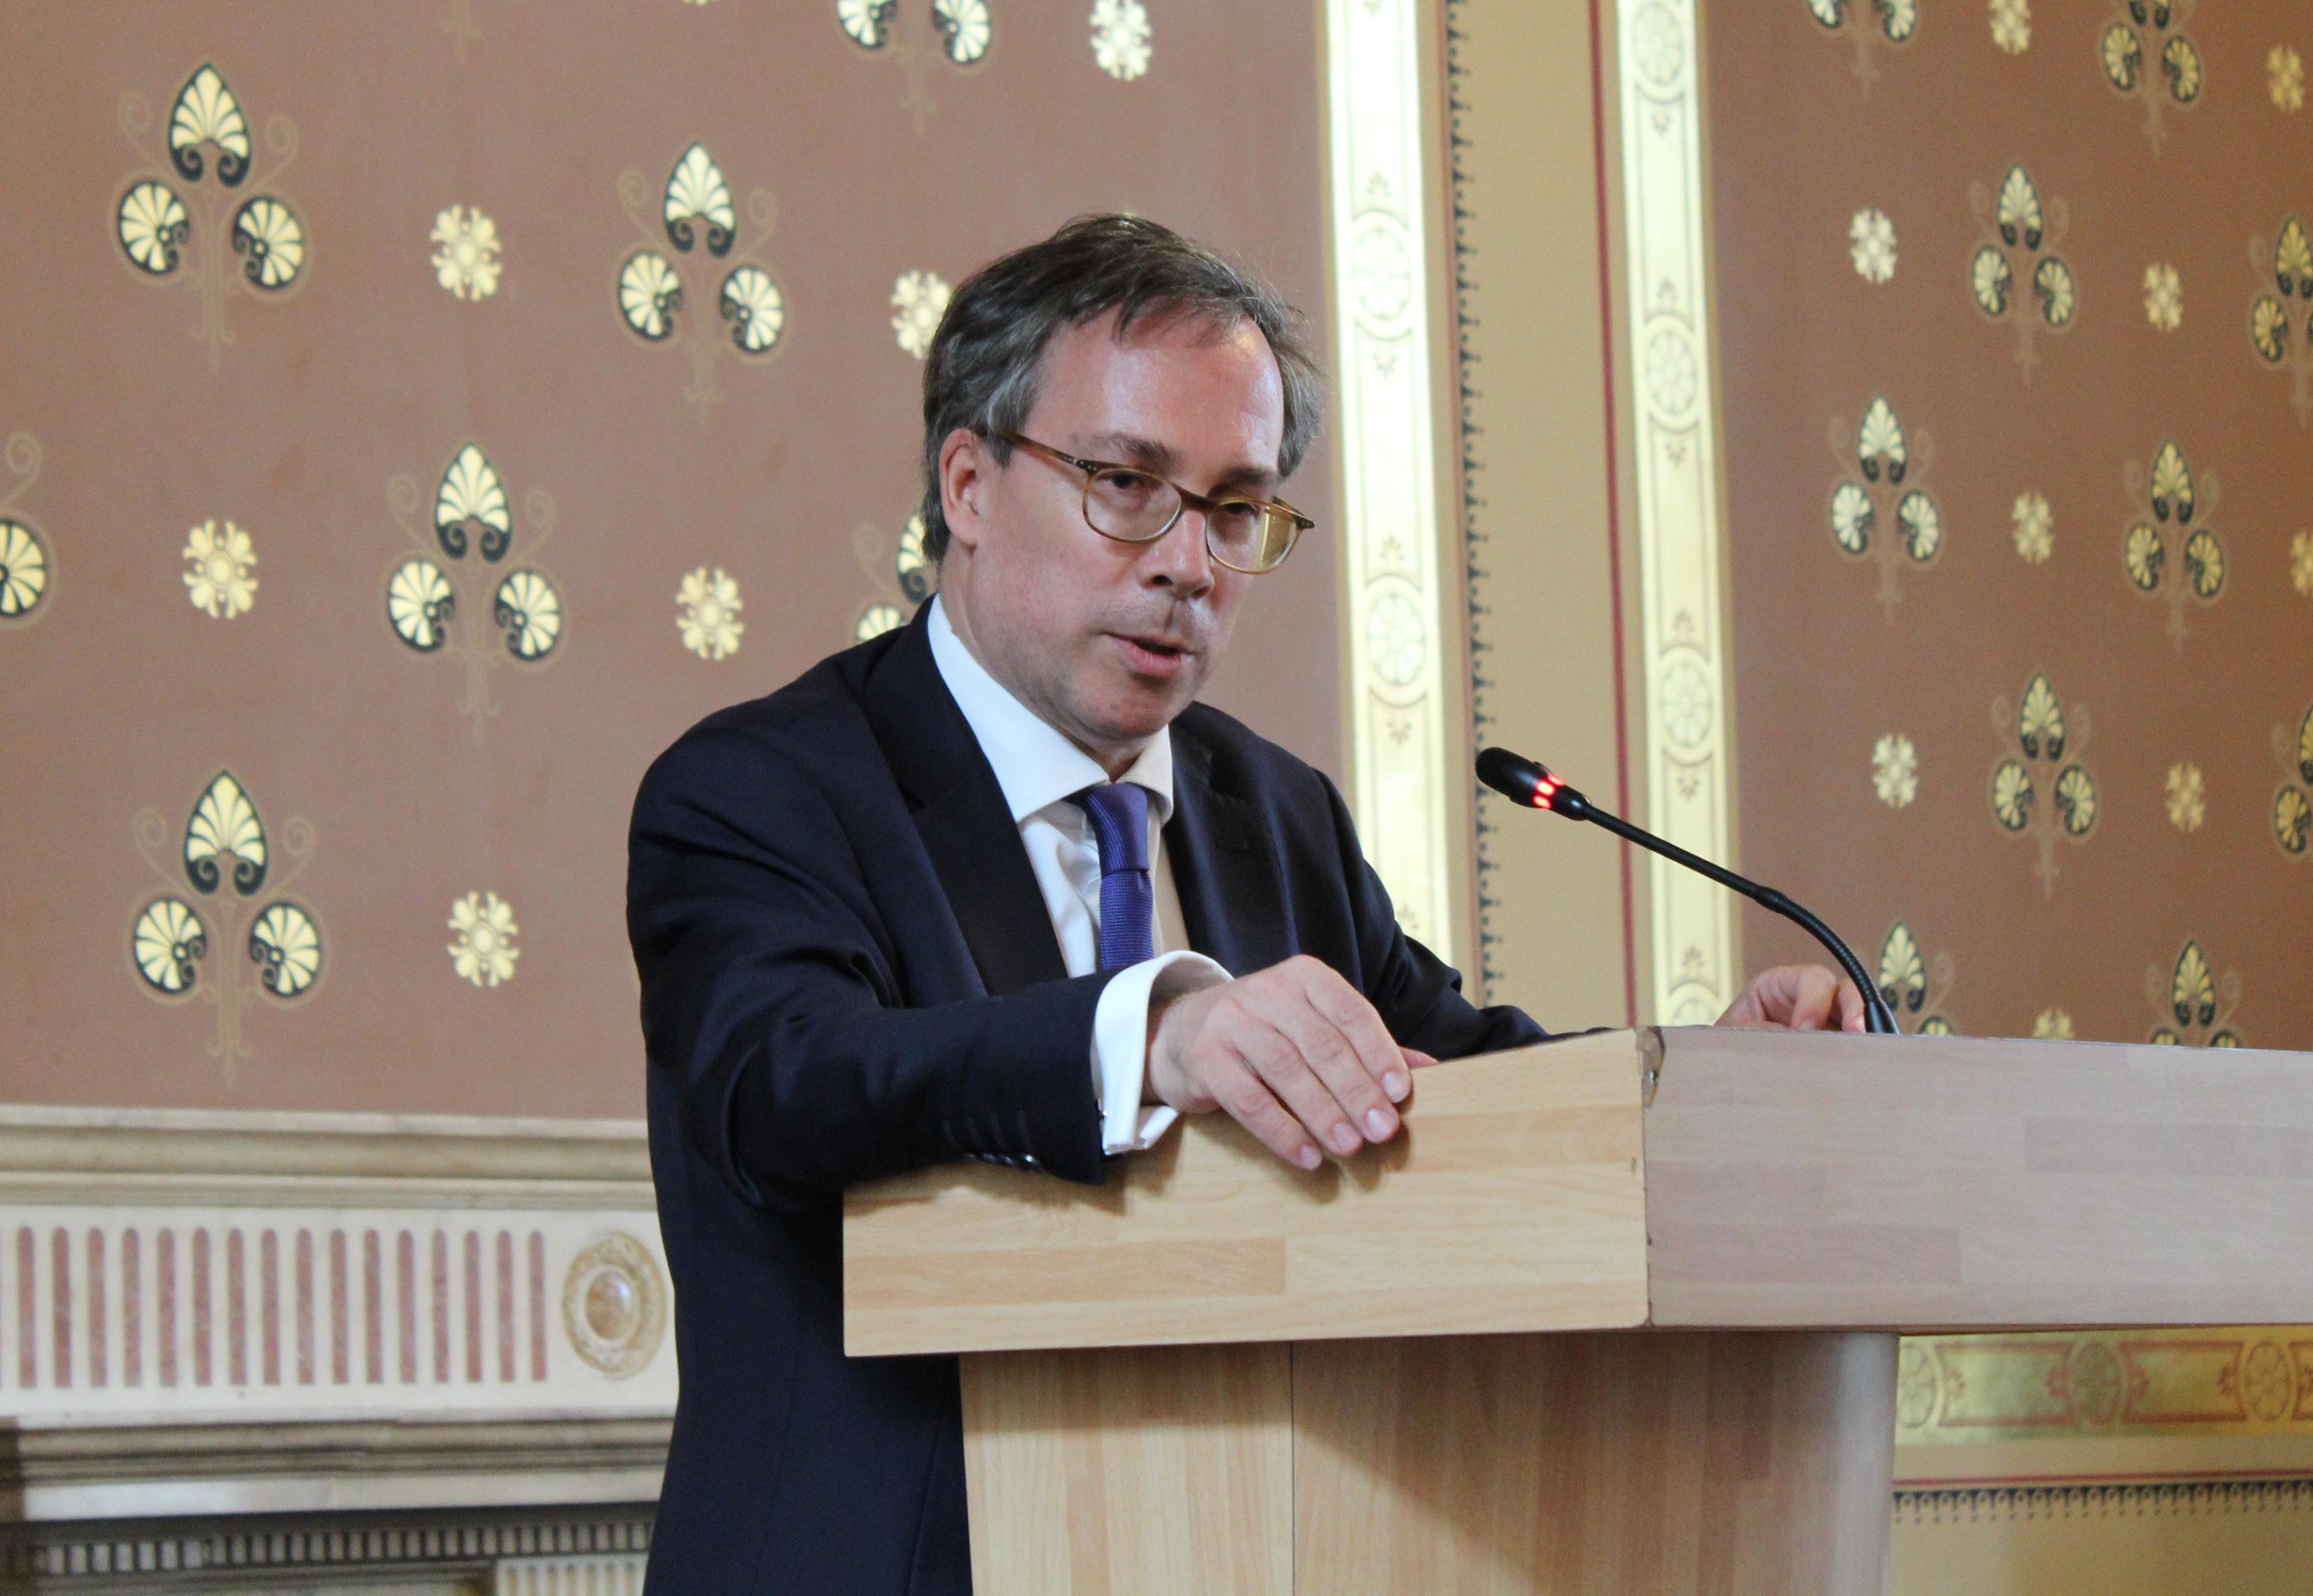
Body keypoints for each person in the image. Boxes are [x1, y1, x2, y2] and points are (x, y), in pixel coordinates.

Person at [625, 214, 1865, 1595]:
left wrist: (1705, 1085)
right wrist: (1151, 1031)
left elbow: (1446, 1084)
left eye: (1233, 509)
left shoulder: (1275, 814)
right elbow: (783, 1086)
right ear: (968, 485)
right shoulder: (761, 786)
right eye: (1125, 485)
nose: (1187, 564)